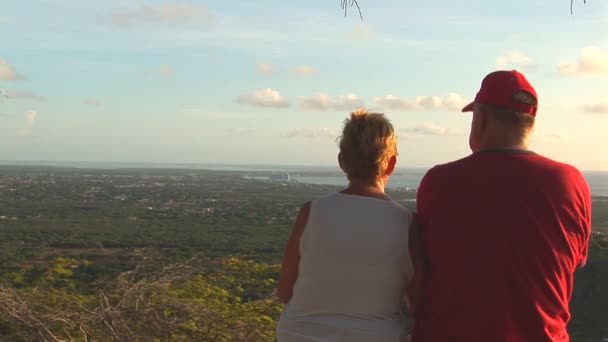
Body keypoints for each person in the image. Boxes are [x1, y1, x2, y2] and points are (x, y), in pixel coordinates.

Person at [412, 70, 592, 342]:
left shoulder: (440, 182)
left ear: (480, 118)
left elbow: (419, 267)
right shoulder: (570, 182)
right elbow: (574, 262)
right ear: (530, 123)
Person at [276, 109, 418, 341]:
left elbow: (284, 292)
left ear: (341, 161)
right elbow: (418, 305)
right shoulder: (407, 223)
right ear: (391, 164)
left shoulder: (311, 212)